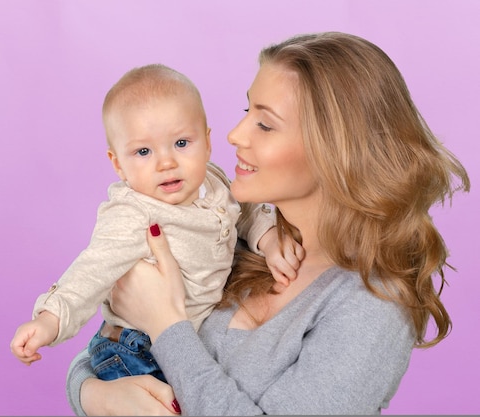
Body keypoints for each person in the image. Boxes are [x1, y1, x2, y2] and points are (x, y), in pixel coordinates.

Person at [65, 32, 471, 415]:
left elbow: (162, 335)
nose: (234, 134)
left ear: (333, 151)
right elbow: (112, 351)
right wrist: (93, 395)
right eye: (247, 110)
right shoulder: (238, 237)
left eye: (264, 123)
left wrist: (166, 325)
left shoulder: (372, 305)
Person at [9, 64, 301, 383]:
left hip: (183, 341)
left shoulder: (213, 180)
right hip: (135, 349)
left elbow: (243, 210)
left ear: (207, 142)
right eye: (143, 151)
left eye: (181, 143)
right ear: (118, 164)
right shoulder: (133, 212)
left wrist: (269, 239)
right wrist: (50, 320)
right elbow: (91, 270)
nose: (166, 163)